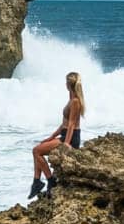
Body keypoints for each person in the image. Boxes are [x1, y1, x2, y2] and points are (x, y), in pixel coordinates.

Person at [28, 71, 85, 199]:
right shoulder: (71, 100)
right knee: (39, 150)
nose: (65, 84)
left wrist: (66, 143)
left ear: (68, 85)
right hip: (65, 135)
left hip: (70, 138)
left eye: (66, 82)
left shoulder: (75, 101)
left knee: (36, 151)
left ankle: (50, 180)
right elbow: (63, 124)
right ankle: (36, 182)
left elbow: (71, 124)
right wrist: (51, 137)